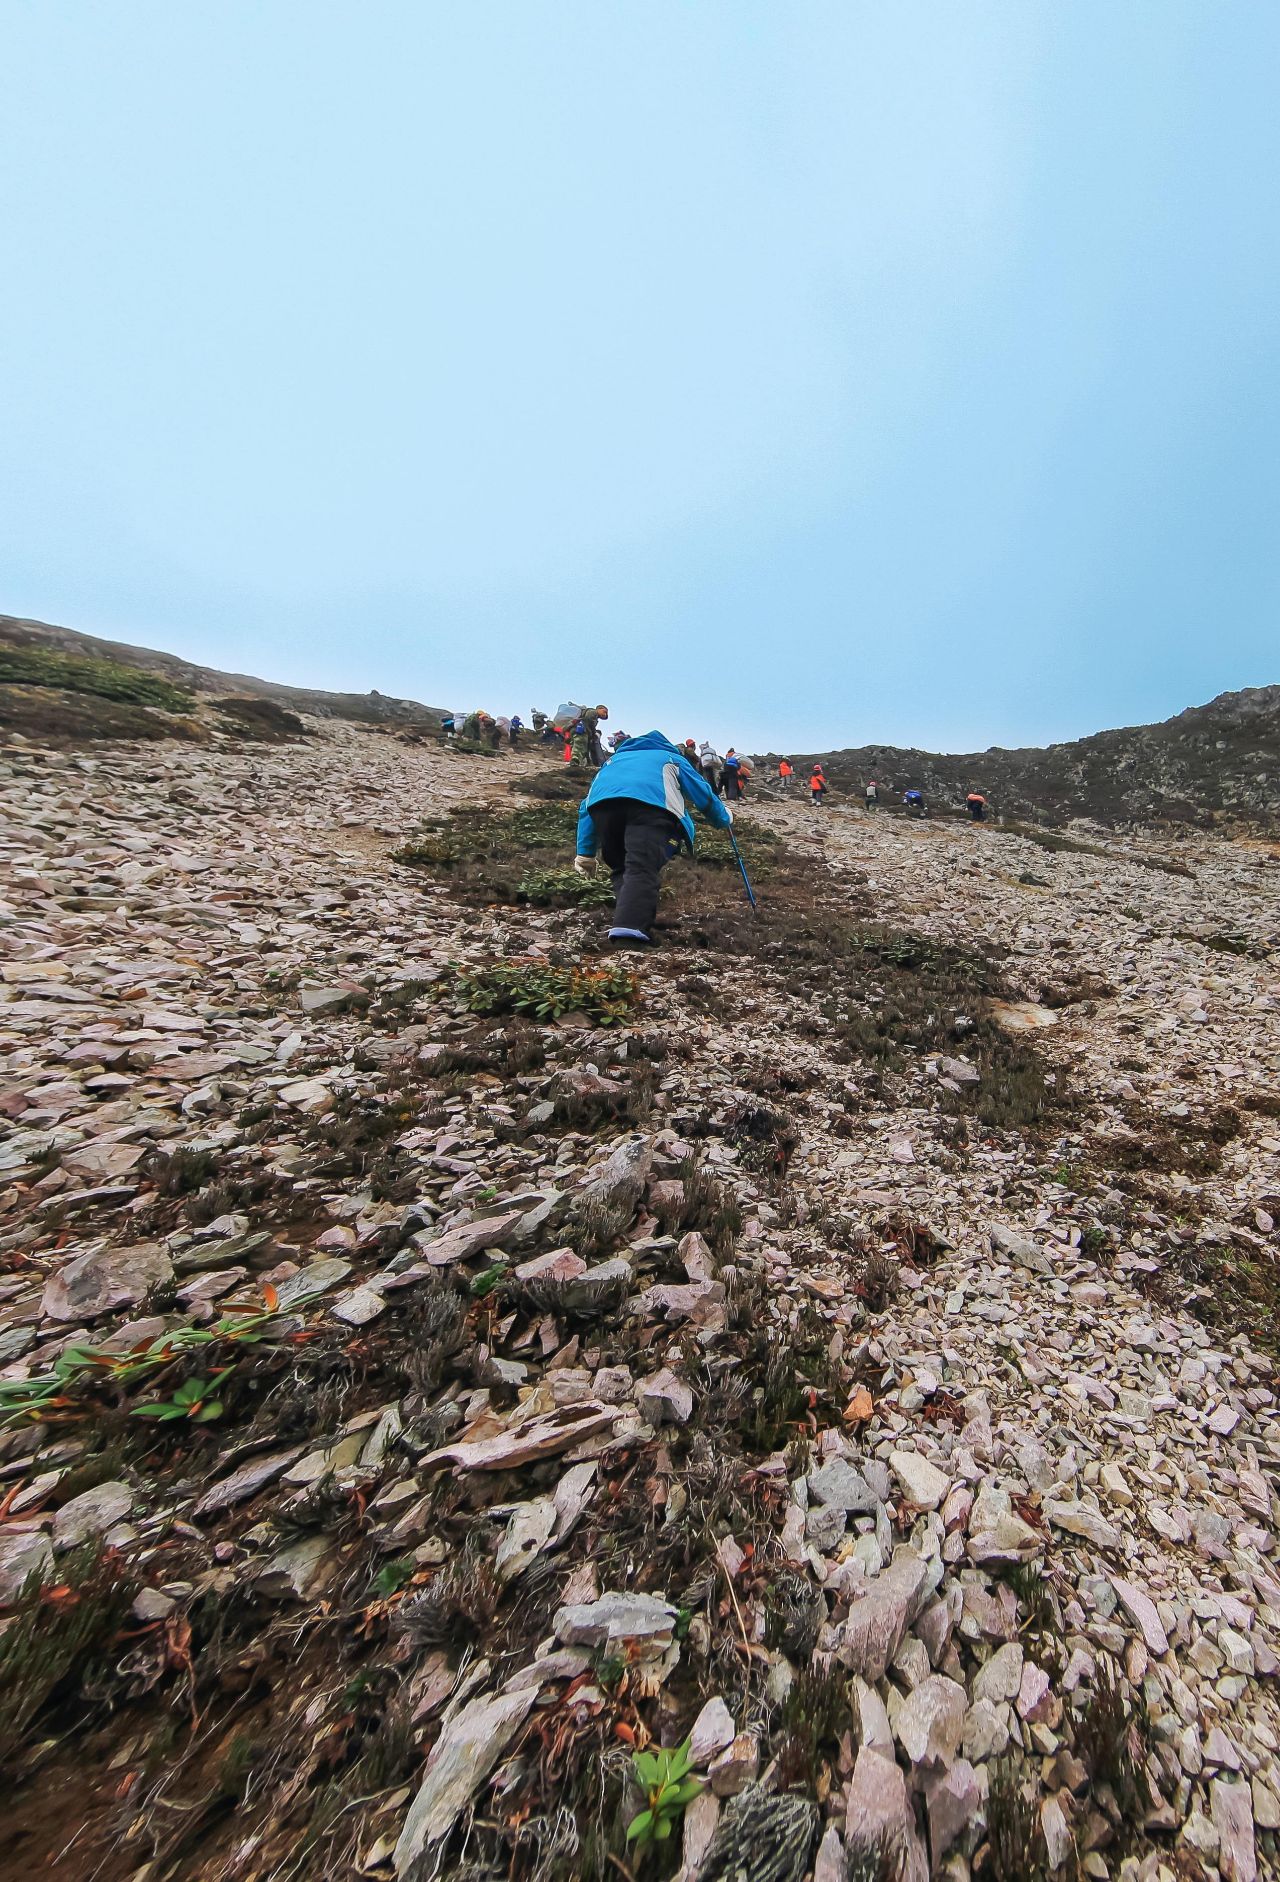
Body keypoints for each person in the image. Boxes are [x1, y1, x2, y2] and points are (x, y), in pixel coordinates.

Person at [574, 731, 733, 947]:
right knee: (641, 867)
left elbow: (585, 807)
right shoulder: (670, 758)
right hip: (651, 811)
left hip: (603, 811)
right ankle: (629, 934)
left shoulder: (612, 762)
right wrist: (723, 818)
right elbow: (702, 793)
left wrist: (585, 853)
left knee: (622, 868)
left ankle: (629, 922)